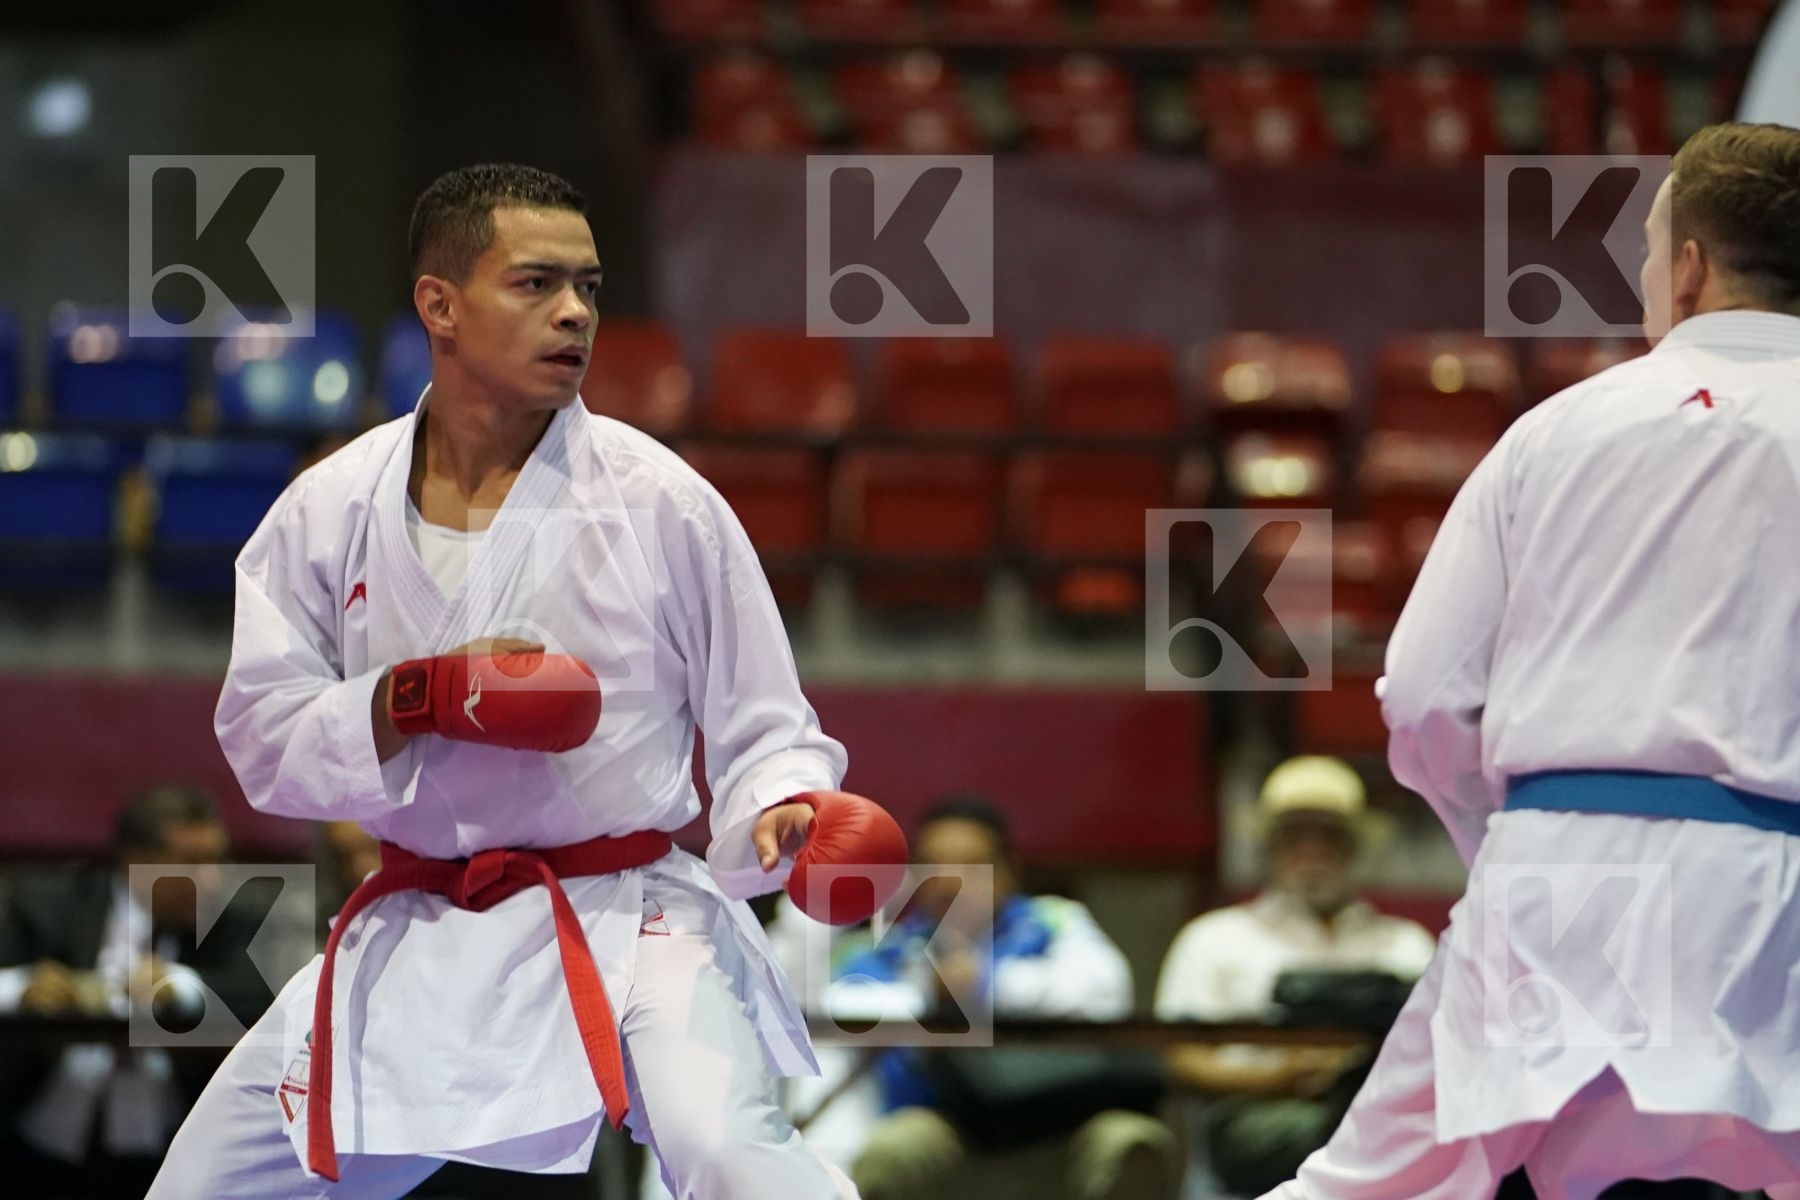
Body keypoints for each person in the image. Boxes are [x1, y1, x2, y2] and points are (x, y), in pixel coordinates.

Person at [147, 163, 900, 1199]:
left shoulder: (661, 503)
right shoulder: (331, 506)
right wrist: (407, 700)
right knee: (205, 1186)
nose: (575, 313)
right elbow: (262, 738)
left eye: (589, 287)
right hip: (420, 920)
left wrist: (789, 806)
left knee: (729, 1152)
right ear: (440, 305)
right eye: (537, 284)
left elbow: (765, 723)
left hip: (630, 917)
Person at [1256, 123, 1800, 1200]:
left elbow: (1420, 691)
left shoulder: (1556, 432)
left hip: (1554, 872)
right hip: (1773, 878)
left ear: (1687, 267)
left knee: (1365, 1189)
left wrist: (1509, 838)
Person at [839, 797, 1182, 1200]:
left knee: (1132, 1142)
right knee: (890, 1153)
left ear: (1006, 872)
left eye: (969, 867)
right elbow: (846, 1007)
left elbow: (1107, 991)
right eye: (934, 866)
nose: (949, 882)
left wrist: (985, 986)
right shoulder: (890, 947)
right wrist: (928, 999)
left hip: (1062, 1119)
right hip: (950, 1125)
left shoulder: (1055, 922)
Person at [1155, 756, 1436, 1197]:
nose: (1312, 849)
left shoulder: (1405, 944)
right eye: (1295, 834)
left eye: (1329, 834)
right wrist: (1284, 1076)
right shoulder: (1212, 939)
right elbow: (1181, 1057)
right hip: (1258, 1115)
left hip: (1381, 1112)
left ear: (1354, 846)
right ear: (1270, 846)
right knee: (1368, 1137)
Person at [0, 784, 282, 1198]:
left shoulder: (236, 918)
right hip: (38, 1145)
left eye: (217, 860)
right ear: (135, 862)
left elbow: (263, 999)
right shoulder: (47, 902)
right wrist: (20, 989)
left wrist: (181, 985)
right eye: (192, 862)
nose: (212, 879)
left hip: (171, 1151)